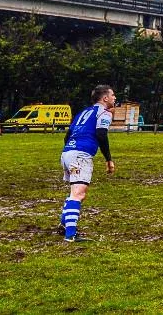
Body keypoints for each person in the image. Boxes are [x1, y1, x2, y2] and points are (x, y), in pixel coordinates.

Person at [58, 85, 116, 242]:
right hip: (80, 155)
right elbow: (101, 134)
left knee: (75, 192)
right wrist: (108, 159)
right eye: (112, 95)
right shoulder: (104, 113)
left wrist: (70, 150)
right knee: (78, 194)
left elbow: (67, 135)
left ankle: (64, 225)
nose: (114, 98)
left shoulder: (83, 112)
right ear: (105, 98)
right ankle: (70, 235)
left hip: (67, 153)